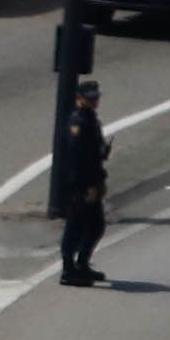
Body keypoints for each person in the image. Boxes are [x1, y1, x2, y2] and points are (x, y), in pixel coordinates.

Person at [55, 80, 113, 287]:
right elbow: (78, 158)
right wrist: (89, 186)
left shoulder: (90, 119)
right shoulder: (78, 121)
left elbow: (93, 154)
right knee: (76, 225)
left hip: (91, 181)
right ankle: (69, 269)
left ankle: (82, 264)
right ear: (79, 98)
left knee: (95, 225)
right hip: (79, 183)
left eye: (95, 97)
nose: (94, 100)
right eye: (89, 97)